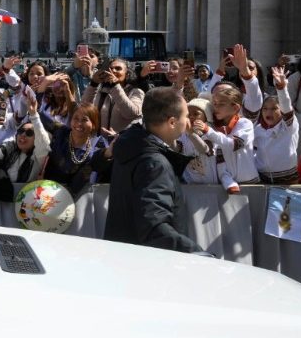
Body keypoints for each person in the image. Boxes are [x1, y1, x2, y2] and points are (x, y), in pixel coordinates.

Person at [104, 87, 200, 253]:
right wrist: (195, 253)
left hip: (123, 253)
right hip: (147, 260)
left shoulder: (132, 146)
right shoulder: (155, 163)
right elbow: (154, 225)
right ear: (172, 122)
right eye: (186, 116)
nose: (188, 122)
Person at [0, 89, 51, 184]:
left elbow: (44, 143)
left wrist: (34, 115)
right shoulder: (10, 148)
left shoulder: (38, 156)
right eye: (21, 131)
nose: (23, 135)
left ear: (36, 139)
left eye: (29, 133)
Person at [41, 103, 113, 196]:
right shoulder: (62, 132)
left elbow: (100, 160)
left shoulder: (97, 146)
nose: (79, 123)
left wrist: (110, 151)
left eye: (84, 120)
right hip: (45, 189)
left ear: (94, 124)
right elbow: (41, 117)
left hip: (72, 196)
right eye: (76, 118)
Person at [253, 67, 300, 185]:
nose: (268, 112)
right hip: (262, 180)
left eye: (274, 108)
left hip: (288, 181)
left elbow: (286, 106)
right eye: (265, 109)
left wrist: (281, 88)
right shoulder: (257, 130)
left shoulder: (288, 127)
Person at [82, 57, 144, 134]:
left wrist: (115, 85)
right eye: (110, 69)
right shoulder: (100, 91)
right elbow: (84, 108)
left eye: (118, 69)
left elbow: (131, 113)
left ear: (127, 74)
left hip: (121, 139)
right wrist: (94, 84)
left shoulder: (136, 92)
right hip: (97, 139)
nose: (113, 71)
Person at [180, 98, 218, 185]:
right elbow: (177, 149)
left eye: (196, 114)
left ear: (207, 116)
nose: (191, 117)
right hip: (190, 182)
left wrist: (191, 133)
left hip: (211, 183)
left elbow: (204, 149)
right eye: (188, 114)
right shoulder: (183, 133)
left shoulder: (210, 133)